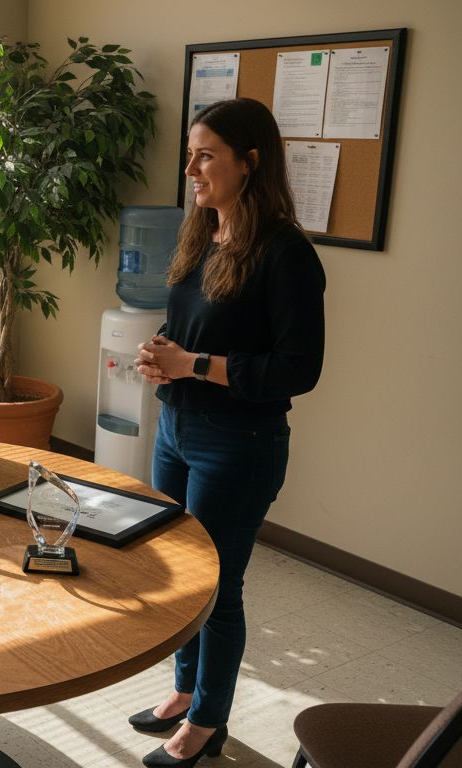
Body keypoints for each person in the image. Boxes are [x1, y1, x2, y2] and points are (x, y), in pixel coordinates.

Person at [130, 97, 326, 767]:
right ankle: (185, 691)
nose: (190, 169)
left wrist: (192, 364)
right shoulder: (202, 233)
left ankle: (208, 722)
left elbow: (298, 368)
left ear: (250, 162)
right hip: (177, 427)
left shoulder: (286, 253)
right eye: (190, 155)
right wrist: (162, 353)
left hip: (238, 444)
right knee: (181, 575)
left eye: (205, 156)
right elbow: (194, 326)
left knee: (216, 588)